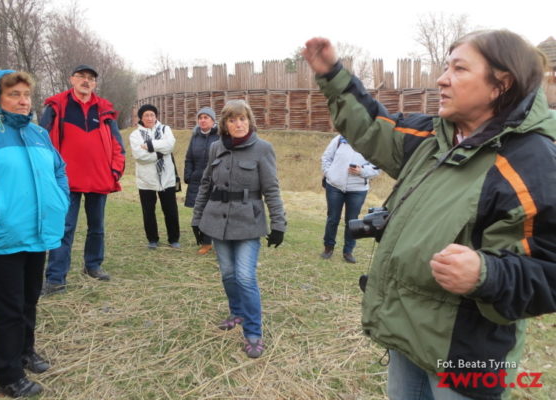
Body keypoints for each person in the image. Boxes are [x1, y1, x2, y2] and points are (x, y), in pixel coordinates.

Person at [303, 30, 556, 400]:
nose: (442, 78)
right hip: (408, 335)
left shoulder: (532, 163)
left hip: (466, 357)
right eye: (445, 66)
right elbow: (374, 126)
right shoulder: (434, 139)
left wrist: (485, 274)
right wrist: (333, 74)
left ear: (500, 85)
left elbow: (548, 269)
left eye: (459, 68)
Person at [0, 70, 69, 398]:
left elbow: (58, 170)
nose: (23, 102)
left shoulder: (38, 133)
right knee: (6, 306)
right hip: (0, 237)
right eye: (14, 95)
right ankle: (8, 373)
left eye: (26, 95)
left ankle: (25, 351)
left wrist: (59, 201)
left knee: (30, 298)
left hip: (37, 234)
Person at [191, 100, 286, 358]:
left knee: (245, 277)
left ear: (250, 120)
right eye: (232, 120)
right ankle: (237, 313)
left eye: (242, 119)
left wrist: (278, 224)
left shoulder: (263, 149)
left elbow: (272, 189)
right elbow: (205, 186)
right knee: (228, 275)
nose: (238, 124)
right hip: (217, 221)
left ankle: (253, 332)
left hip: (248, 223)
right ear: (225, 124)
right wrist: (197, 220)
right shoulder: (215, 148)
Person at [41, 65, 125, 296]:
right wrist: (48, 172)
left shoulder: (105, 109)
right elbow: (42, 140)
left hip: (99, 179)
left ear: (95, 84)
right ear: (72, 79)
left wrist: (115, 171)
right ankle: (56, 278)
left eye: (91, 78)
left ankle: (93, 265)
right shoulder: (56, 106)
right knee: (63, 228)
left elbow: (118, 144)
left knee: (96, 227)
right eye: (82, 77)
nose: (86, 81)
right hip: (65, 181)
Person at [321, 135, 379, 263]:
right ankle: (328, 247)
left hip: (358, 190)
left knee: (352, 221)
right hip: (335, 186)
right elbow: (326, 158)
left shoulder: (371, 142)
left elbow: (376, 168)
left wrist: (362, 171)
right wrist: (330, 173)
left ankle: (348, 251)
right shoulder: (339, 140)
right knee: (332, 218)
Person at [130, 104, 181, 249]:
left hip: (167, 177)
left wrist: (150, 145)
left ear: (156, 116)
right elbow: (140, 156)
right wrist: (160, 152)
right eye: (146, 115)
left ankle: (174, 239)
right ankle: (152, 239)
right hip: (146, 180)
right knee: (148, 211)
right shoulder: (135, 135)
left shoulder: (166, 129)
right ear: (141, 118)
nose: (149, 118)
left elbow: (170, 145)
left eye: (152, 115)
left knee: (170, 210)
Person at [184, 106, 219, 255]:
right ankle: (206, 243)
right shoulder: (195, 136)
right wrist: (188, 175)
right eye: (200, 118)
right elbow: (189, 158)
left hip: (215, 180)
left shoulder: (220, 136)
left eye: (206, 117)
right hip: (197, 179)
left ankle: (217, 241)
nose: (202, 120)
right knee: (200, 211)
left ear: (213, 120)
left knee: (214, 212)